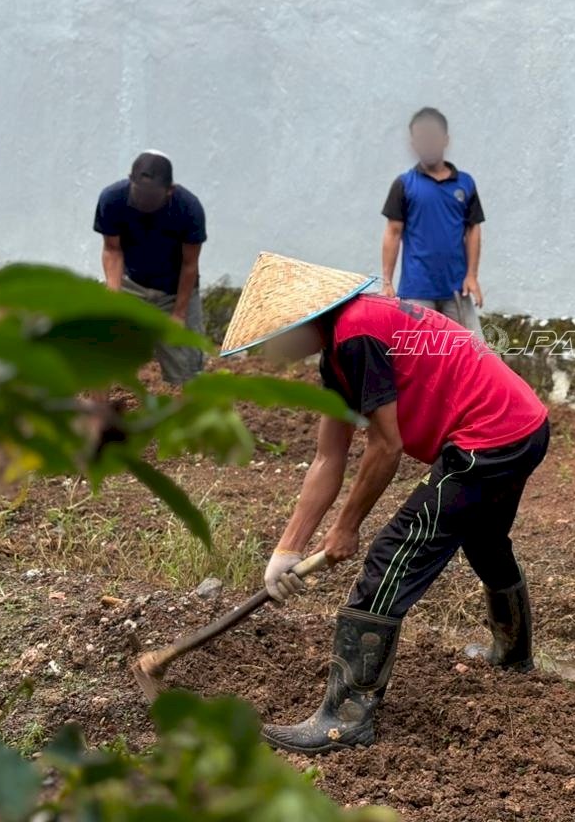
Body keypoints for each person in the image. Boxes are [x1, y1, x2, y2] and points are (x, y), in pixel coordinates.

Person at [222, 255, 549, 753]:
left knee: (390, 558)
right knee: (483, 539)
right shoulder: (340, 348)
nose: (275, 351)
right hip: (520, 424)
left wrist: (346, 526)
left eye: (278, 336)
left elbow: (386, 445)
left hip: (490, 437)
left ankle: (345, 718)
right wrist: (287, 549)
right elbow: (328, 458)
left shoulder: (357, 334)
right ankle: (513, 653)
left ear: (305, 319)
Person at [93, 151, 207, 384]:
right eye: (139, 198)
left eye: (152, 200)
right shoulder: (112, 199)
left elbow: (189, 265)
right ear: (129, 180)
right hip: (132, 284)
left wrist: (178, 314)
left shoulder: (189, 208)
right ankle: (98, 416)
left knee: (187, 371)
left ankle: (186, 417)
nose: (144, 206)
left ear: (170, 190)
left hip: (175, 290)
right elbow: (112, 250)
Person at [380, 108, 485, 333]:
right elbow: (393, 232)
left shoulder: (465, 184)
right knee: (417, 359)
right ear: (413, 144)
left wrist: (472, 276)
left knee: (472, 354)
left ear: (445, 140)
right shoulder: (404, 184)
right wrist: (387, 282)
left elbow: (473, 229)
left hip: (457, 289)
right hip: (416, 291)